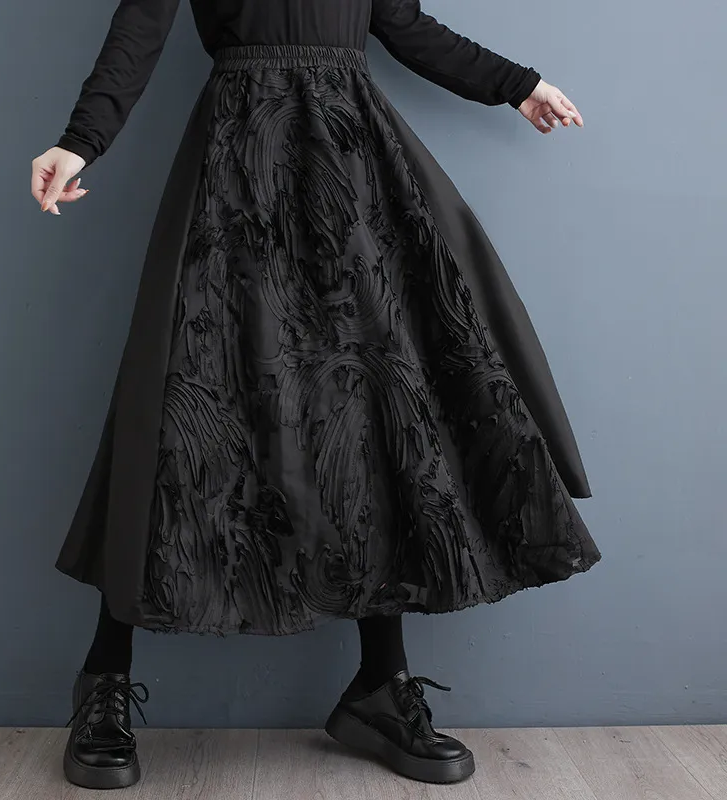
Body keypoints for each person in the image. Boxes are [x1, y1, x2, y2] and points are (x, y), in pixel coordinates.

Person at [31, 0, 601, 790]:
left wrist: (517, 84)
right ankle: (103, 679)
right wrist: (80, 141)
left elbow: (405, 26)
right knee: (187, 404)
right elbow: (140, 29)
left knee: (370, 404)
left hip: (352, 163)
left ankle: (380, 685)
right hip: (239, 167)